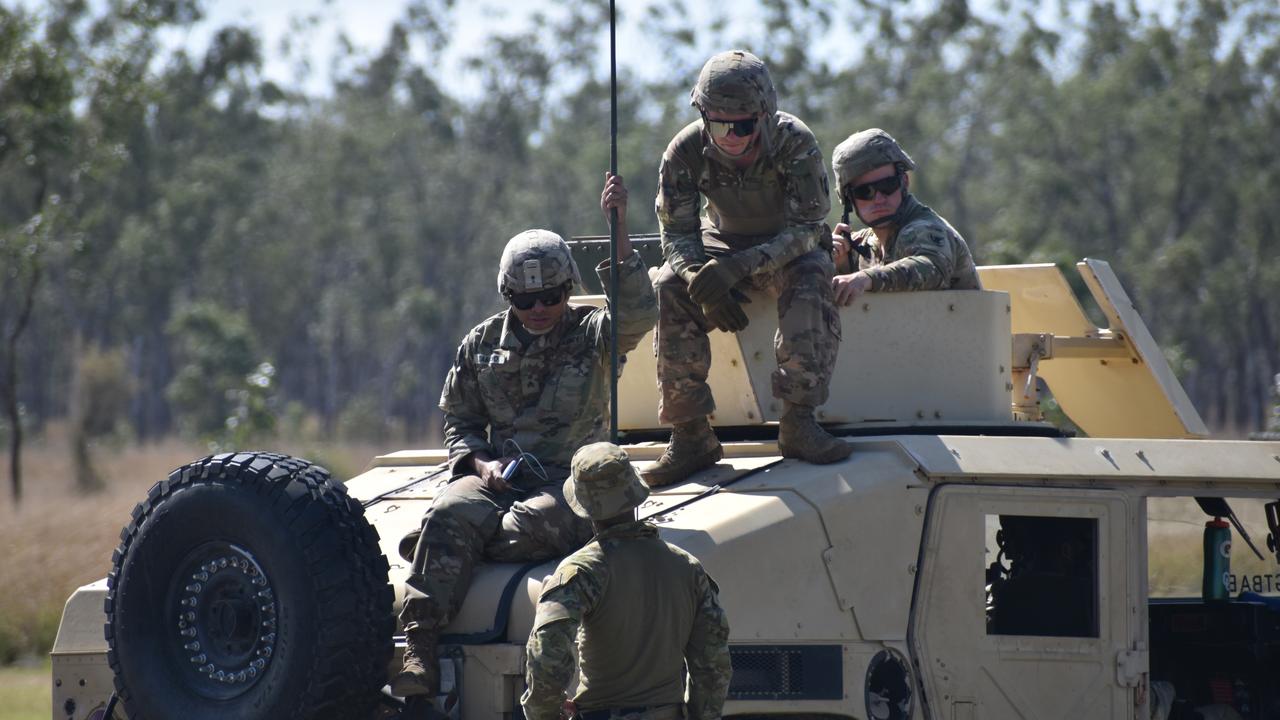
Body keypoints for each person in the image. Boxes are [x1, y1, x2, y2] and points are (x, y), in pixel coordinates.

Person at [392, 174, 658, 701]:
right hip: (498, 476)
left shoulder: (591, 335)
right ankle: (418, 647)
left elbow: (640, 315)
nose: (539, 308)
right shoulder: (482, 343)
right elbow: (460, 421)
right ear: (506, 293)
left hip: (569, 482)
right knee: (450, 512)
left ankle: (444, 549)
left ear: (568, 290)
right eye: (525, 297)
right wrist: (478, 462)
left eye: (552, 295)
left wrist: (620, 228)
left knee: (532, 523)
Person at [647, 49, 850, 488]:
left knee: (813, 274)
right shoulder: (685, 152)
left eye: (743, 124)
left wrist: (738, 269)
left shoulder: (793, 142)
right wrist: (699, 279)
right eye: (717, 123)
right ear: (702, 113)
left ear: (764, 115)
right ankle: (690, 434)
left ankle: (798, 420)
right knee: (667, 284)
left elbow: (807, 227)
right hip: (721, 241)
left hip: (787, 244)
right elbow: (677, 234)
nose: (731, 135)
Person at [521, 442, 732, 720]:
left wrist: (546, 713)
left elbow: (546, 653)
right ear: (634, 492)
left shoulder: (582, 570)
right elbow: (712, 663)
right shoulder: (687, 567)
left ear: (583, 505)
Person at [829, 128, 981, 305]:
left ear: (904, 182)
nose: (878, 199)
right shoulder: (861, 245)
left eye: (887, 185)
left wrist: (865, 278)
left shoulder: (923, 228)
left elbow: (932, 268)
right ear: (848, 199)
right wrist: (838, 264)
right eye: (865, 191)